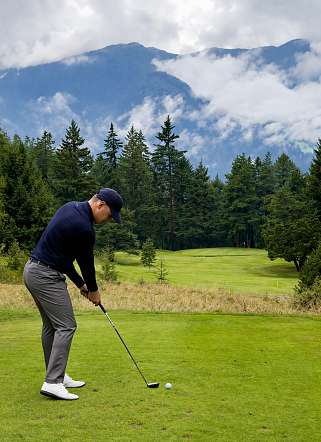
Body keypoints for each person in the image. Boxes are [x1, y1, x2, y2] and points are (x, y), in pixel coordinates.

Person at [23, 188, 123, 400]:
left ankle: (57, 375)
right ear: (100, 205)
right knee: (66, 325)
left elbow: (64, 258)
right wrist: (94, 290)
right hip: (45, 276)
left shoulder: (70, 208)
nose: (109, 220)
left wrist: (80, 285)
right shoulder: (84, 228)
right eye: (110, 215)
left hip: (33, 271)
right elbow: (87, 265)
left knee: (52, 326)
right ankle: (53, 382)